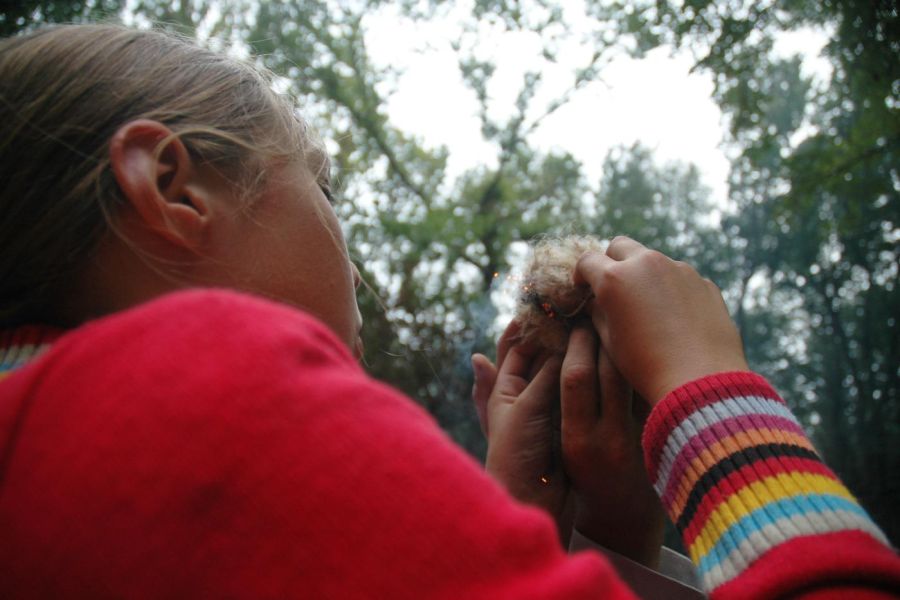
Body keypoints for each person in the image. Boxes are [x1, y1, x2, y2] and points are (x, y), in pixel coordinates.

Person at [0, 23, 896, 599]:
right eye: (322, 187)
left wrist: (558, 537)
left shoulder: (48, 461)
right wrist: (711, 391)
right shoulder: (209, 386)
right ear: (174, 189)